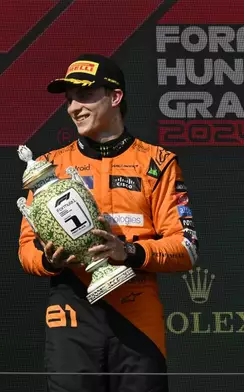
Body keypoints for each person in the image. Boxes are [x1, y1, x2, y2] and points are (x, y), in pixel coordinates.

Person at [18, 54, 198, 392]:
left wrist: (126, 251)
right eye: (69, 99)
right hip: (72, 314)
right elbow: (27, 249)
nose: (74, 108)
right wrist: (48, 260)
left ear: (115, 97)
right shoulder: (47, 168)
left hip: (137, 314)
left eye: (84, 96)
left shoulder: (157, 163)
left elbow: (186, 248)